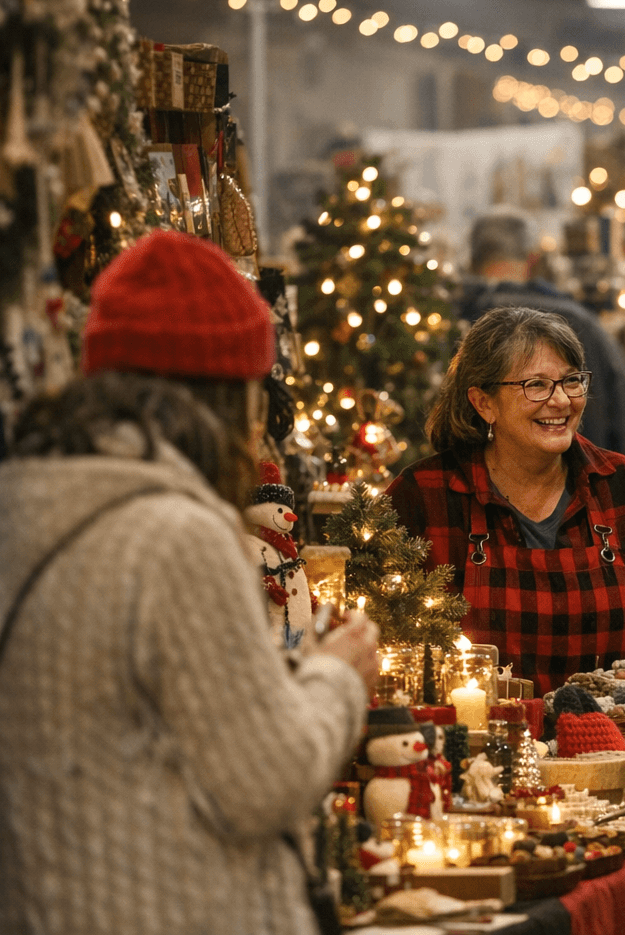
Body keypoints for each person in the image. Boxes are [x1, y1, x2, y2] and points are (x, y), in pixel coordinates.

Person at [0, 231, 378, 935]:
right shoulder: (176, 537)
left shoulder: (27, 504)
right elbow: (264, 781)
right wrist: (337, 676)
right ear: (227, 396)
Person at [386, 306, 625, 694]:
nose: (561, 401)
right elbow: (374, 632)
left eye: (571, 382)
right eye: (536, 385)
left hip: (619, 745)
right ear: (484, 403)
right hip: (483, 748)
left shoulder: (623, 486)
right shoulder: (426, 496)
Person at [457, 208, 625, 467]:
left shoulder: (448, 321)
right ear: (532, 259)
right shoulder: (580, 323)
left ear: (472, 260)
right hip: (579, 490)